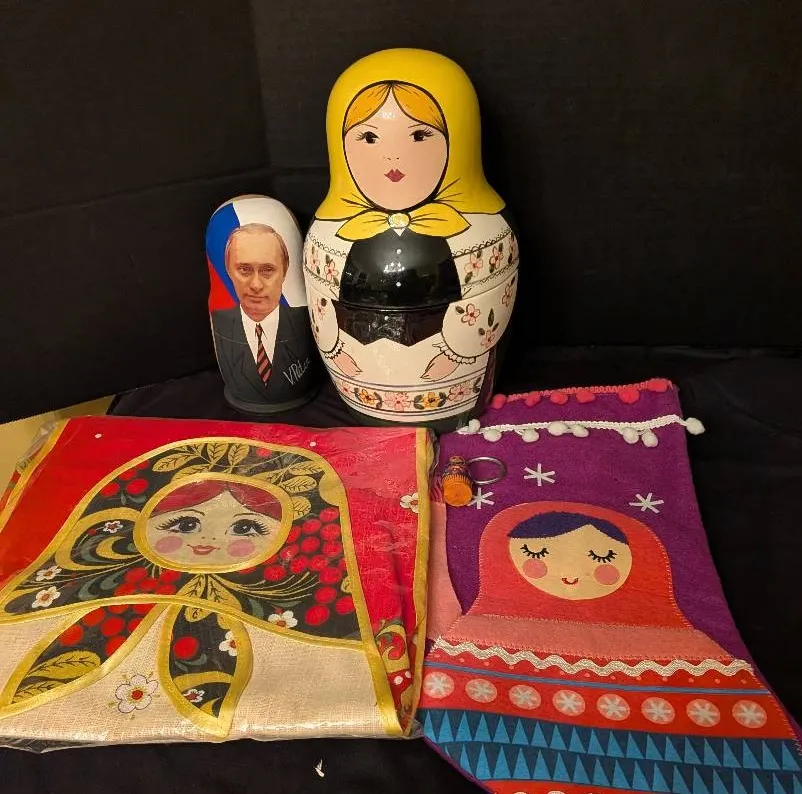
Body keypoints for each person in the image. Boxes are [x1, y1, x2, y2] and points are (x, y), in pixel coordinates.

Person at [420, 501, 802, 792]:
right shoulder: (482, 637)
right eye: (536, 555)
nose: (571, 575)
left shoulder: (688, 651)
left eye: (602, 557)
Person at [211, 223, 314, 412]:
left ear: (284, 271)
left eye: (267, 270)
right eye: (244, 269)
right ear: (228, 271)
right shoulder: (220, 323)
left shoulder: (305, 319)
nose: (256, 285)